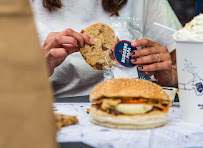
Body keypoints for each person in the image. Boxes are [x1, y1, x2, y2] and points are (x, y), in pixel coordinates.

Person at [31, 0, 181, 98]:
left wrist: (171, 78)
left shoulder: (142, 3)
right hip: (57, 116)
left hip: (133, 108)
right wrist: (35, 71)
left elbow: (188, 70)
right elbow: (9, 90)